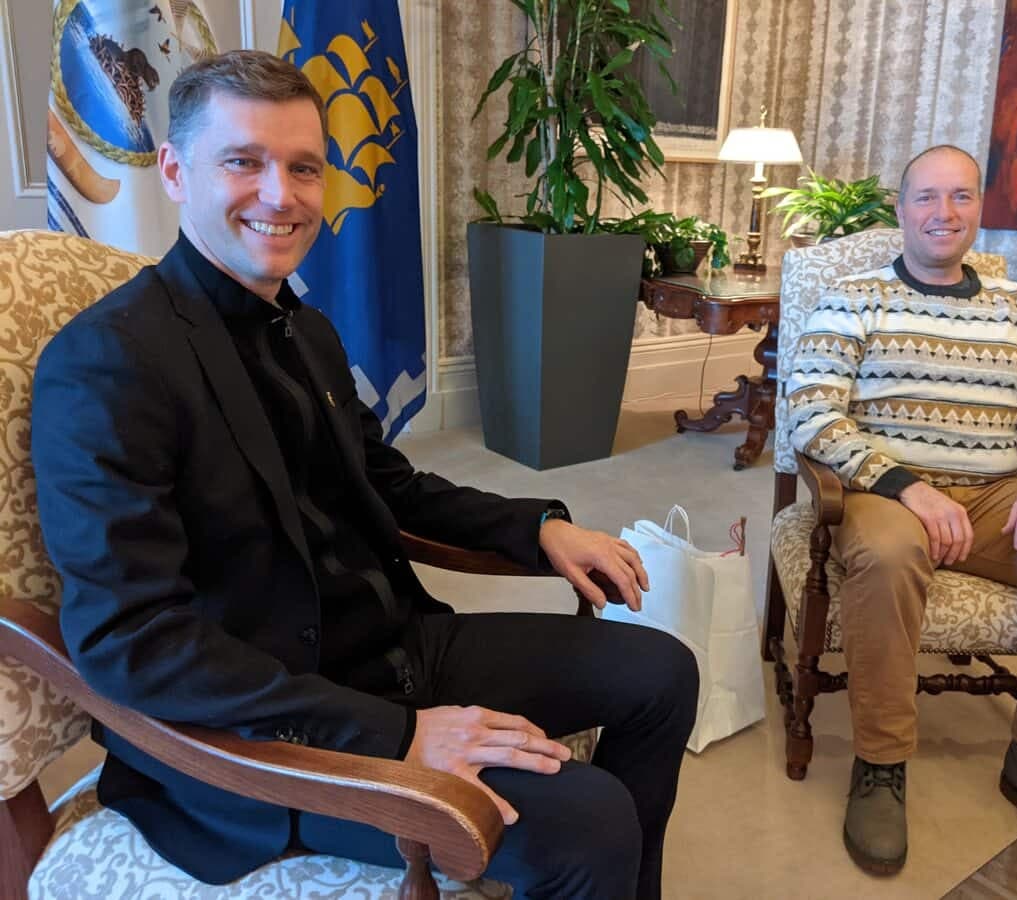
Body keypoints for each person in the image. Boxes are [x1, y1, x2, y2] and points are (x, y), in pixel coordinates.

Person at [31, 50, 698, 900]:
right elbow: (132, 642)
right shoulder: (106, 362)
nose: (281, 194)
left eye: (303, 167)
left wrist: (536, 528)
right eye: (243, 161)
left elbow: (388, 485)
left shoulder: (306, 330)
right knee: (590, 818)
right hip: (272, 732)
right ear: (173, 169)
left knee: (662, 674)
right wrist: (396, 735)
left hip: (397, 648)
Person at [784, 144, 1017, 876]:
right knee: (889, 554)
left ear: (978, 210)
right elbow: (813, 414)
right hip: (888, 490)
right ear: (901, 209)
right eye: (927, 197)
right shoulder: (853, 297)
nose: (943, 213)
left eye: (960, 197)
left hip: (1000, 496)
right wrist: (906, 487)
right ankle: (882, 763)